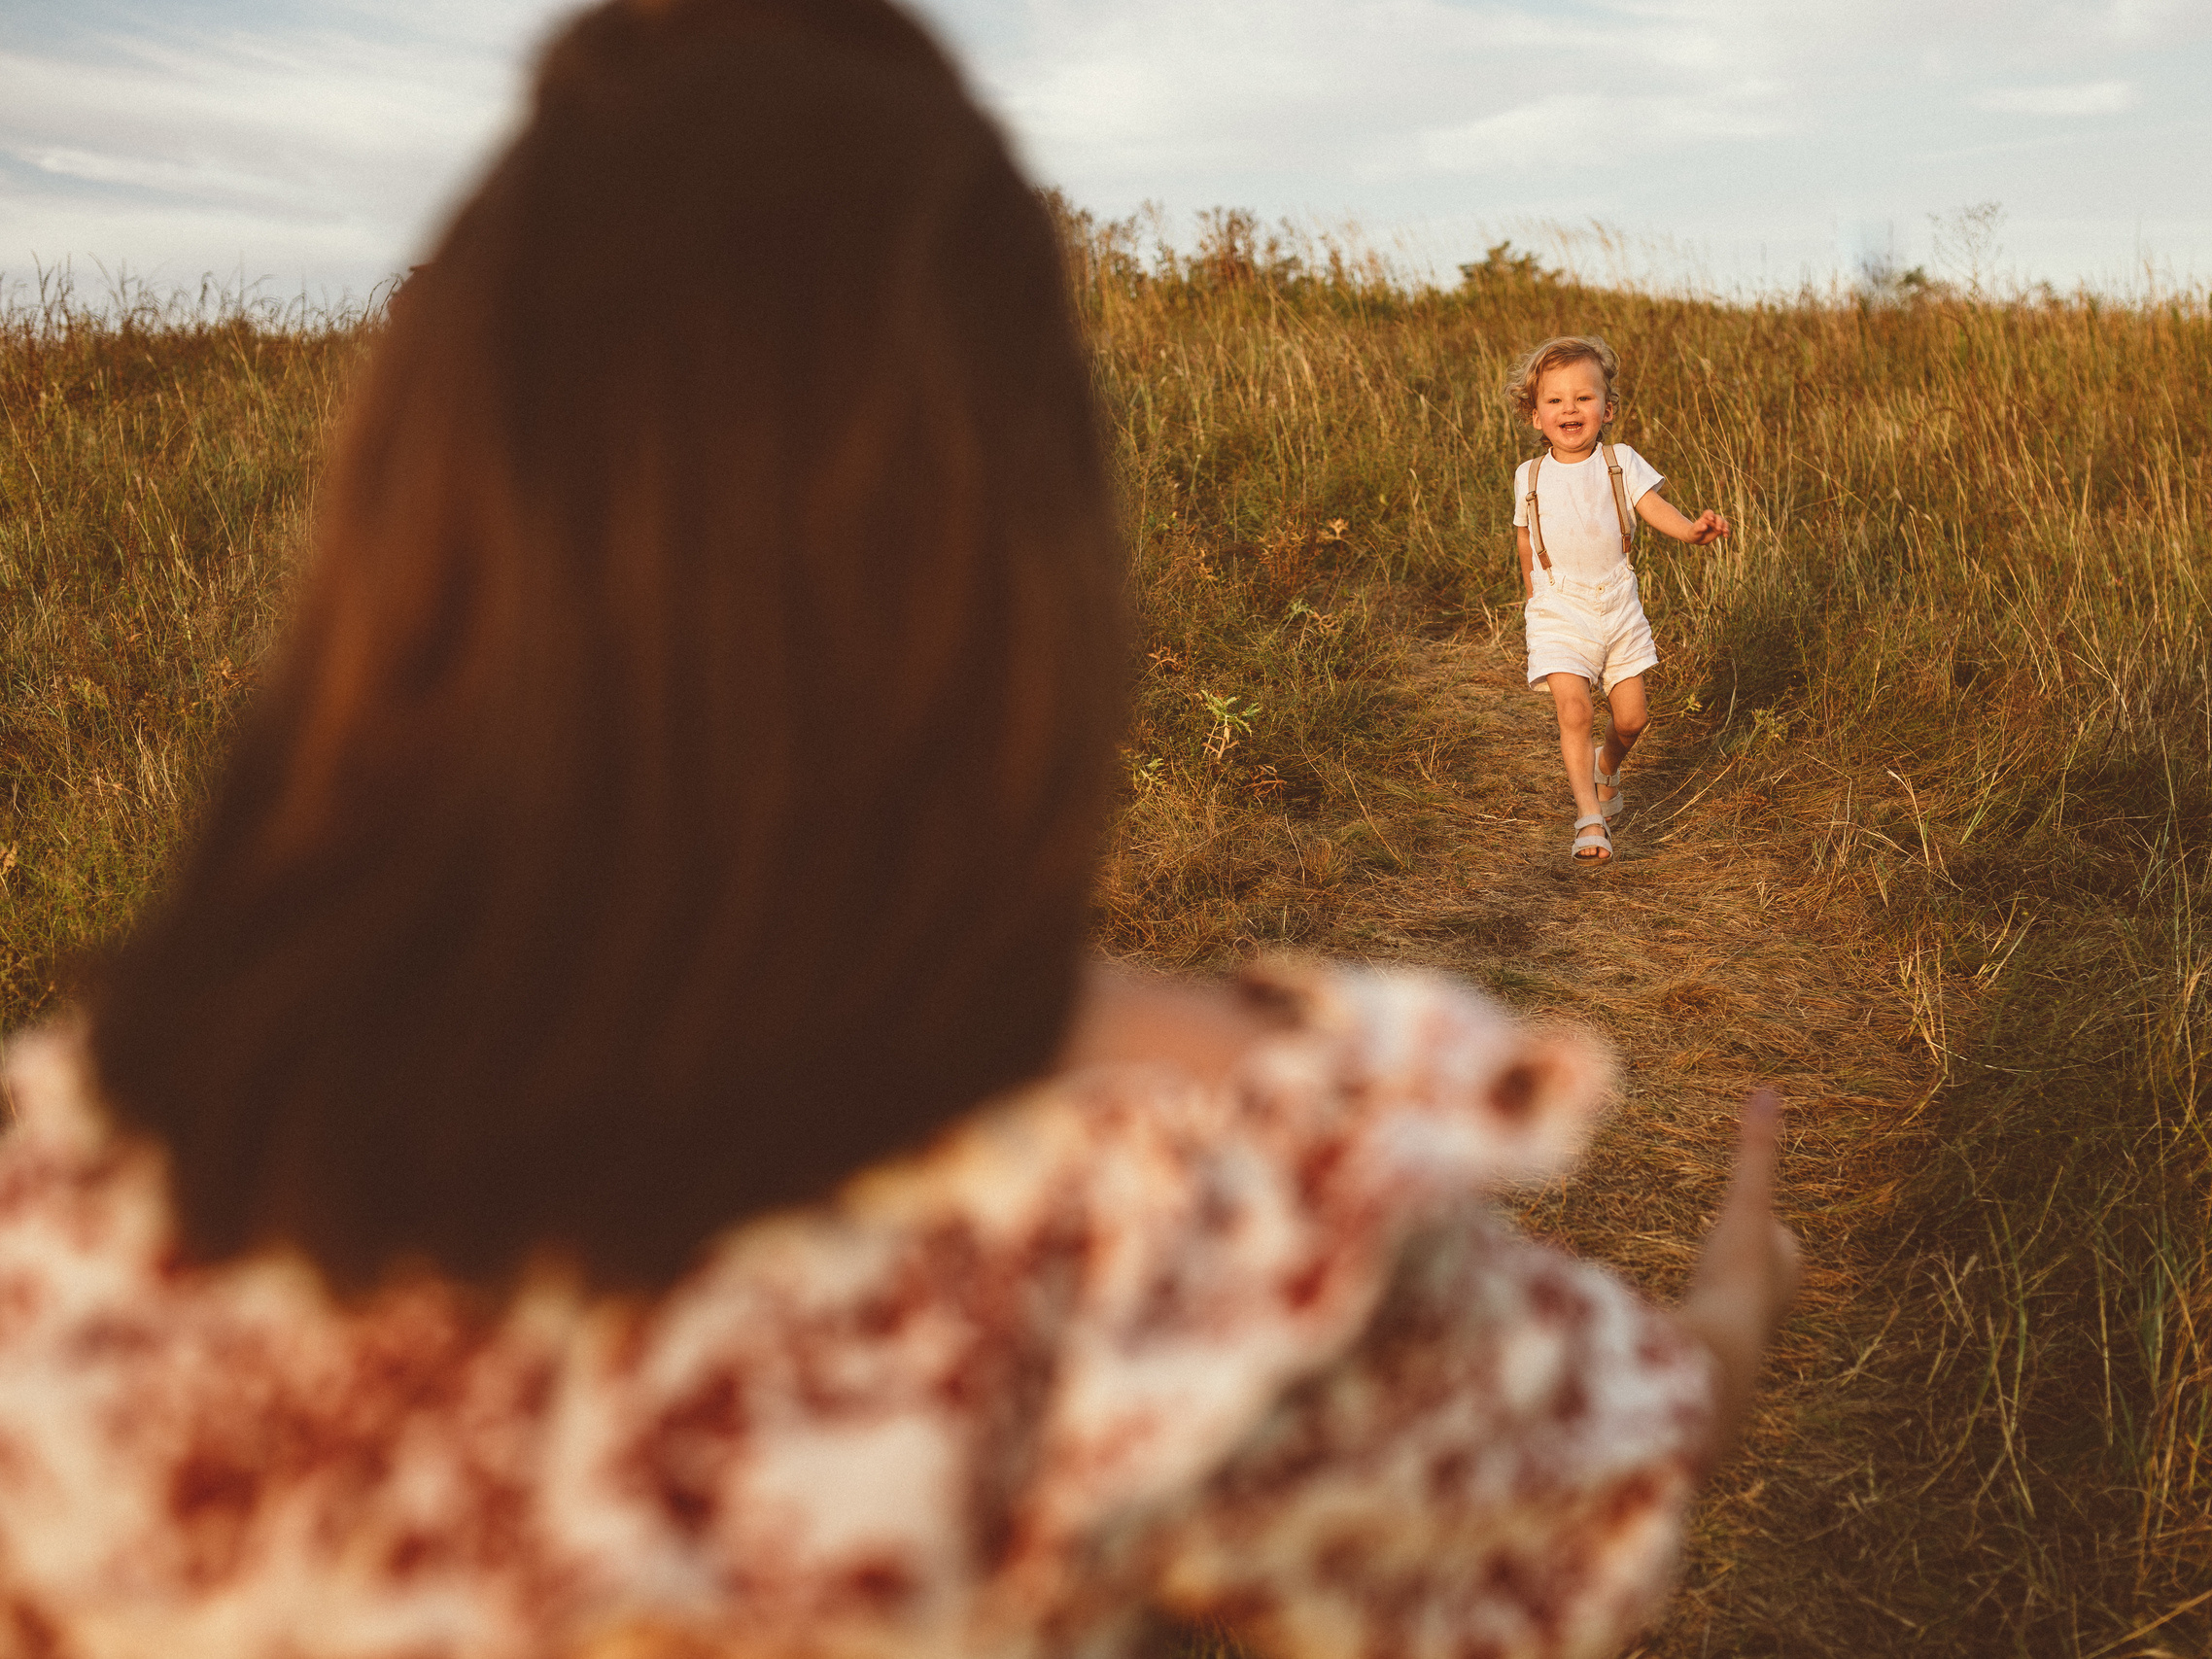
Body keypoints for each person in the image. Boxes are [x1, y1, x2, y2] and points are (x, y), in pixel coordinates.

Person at [0, 4, 1799, 1657]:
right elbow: (1627, 1446)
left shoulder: (56, 1211)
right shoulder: (1194, 1191)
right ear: (1012, 544)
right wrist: (1739, 1284)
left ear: (412, 521)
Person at [1507, 337, 1730, 862]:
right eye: (1555, 400)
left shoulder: (1620, 461)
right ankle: (1589, 817)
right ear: (1535, 415)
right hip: (1558, 608)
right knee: (1574, 710)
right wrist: (1534, 594)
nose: (1570, 409)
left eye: (1584, 398)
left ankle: (1606, 765)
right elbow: (1525, 535)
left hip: (1617, 603)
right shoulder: (1529, 474)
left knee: (1632, 719)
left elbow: (1654, 507)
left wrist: (1691, 531)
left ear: (1607, 410)